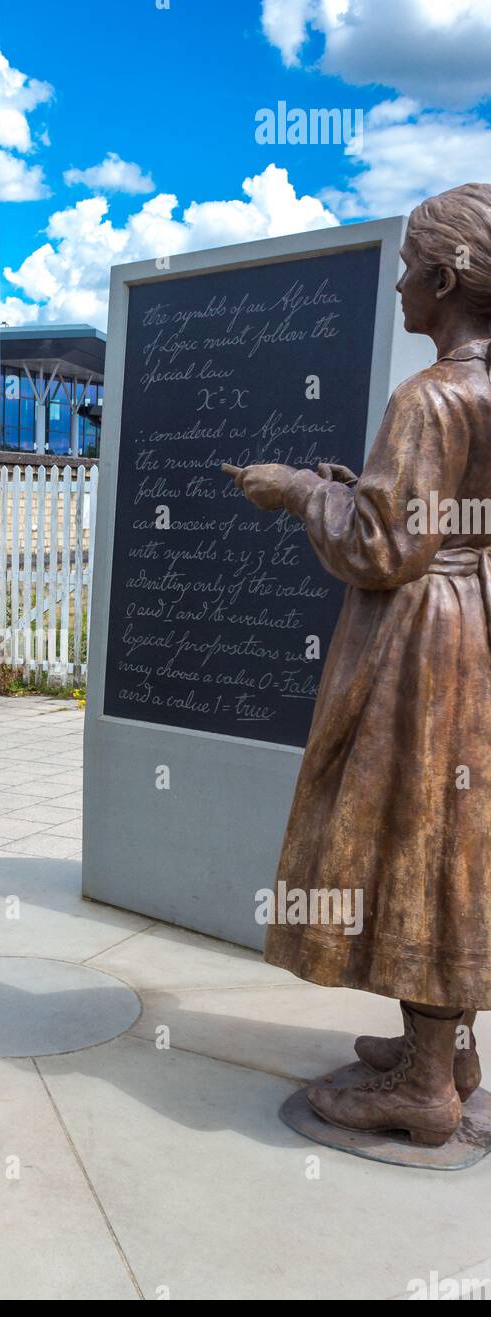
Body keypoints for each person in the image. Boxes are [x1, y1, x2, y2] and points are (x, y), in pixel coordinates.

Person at [229, 183, 491, 1146]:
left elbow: (383, 549)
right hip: (480, 624)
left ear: (447, 275)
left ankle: (425, 1086)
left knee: (411, 828)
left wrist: (299, 491)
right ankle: (447, 1049)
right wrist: (359, 489)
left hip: (426, 641)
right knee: (458, 831)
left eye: (410, 264)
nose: (396, 283)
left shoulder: (430, 396)